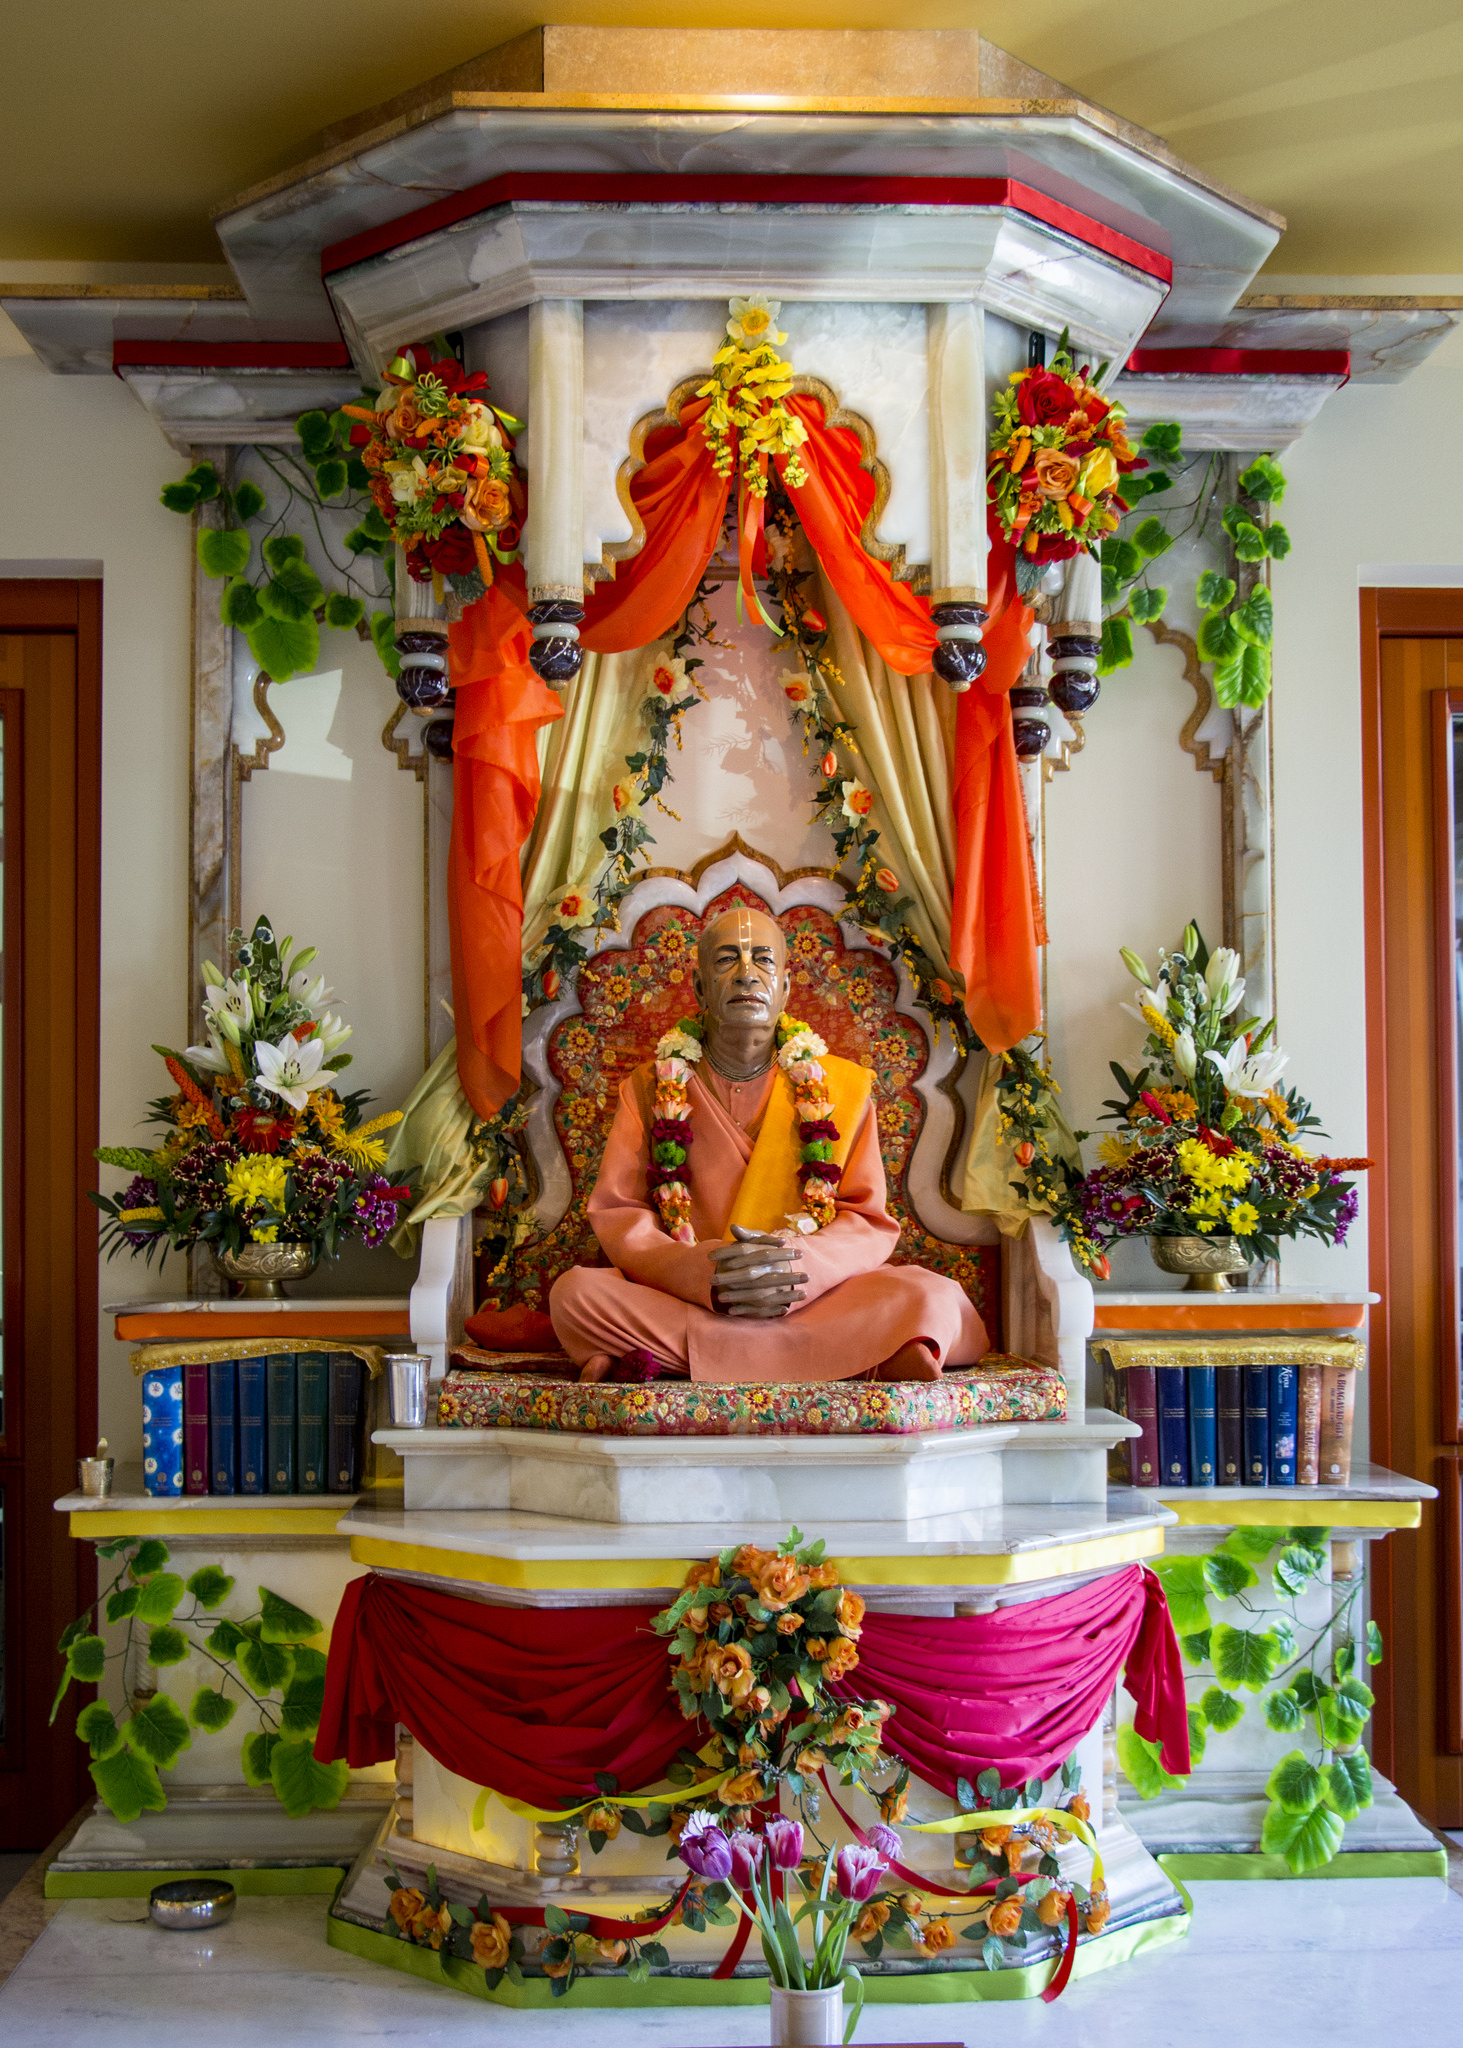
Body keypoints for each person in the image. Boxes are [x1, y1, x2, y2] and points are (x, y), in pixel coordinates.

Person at [548, 905, 988, 1384]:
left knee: (934, 1297)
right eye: (726, 960)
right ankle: (863, 1358)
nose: (746, 974)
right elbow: (620, 1215)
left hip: (811, 1295)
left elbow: (866, 1220)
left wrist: (795, 1266)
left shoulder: (842, 1086)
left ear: (785, 987)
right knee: (576, 1296)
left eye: (763, 959)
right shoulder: (651, 1086)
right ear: (700, 987)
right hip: (697, 1296)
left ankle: (671, 1357)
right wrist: (703, 1273)